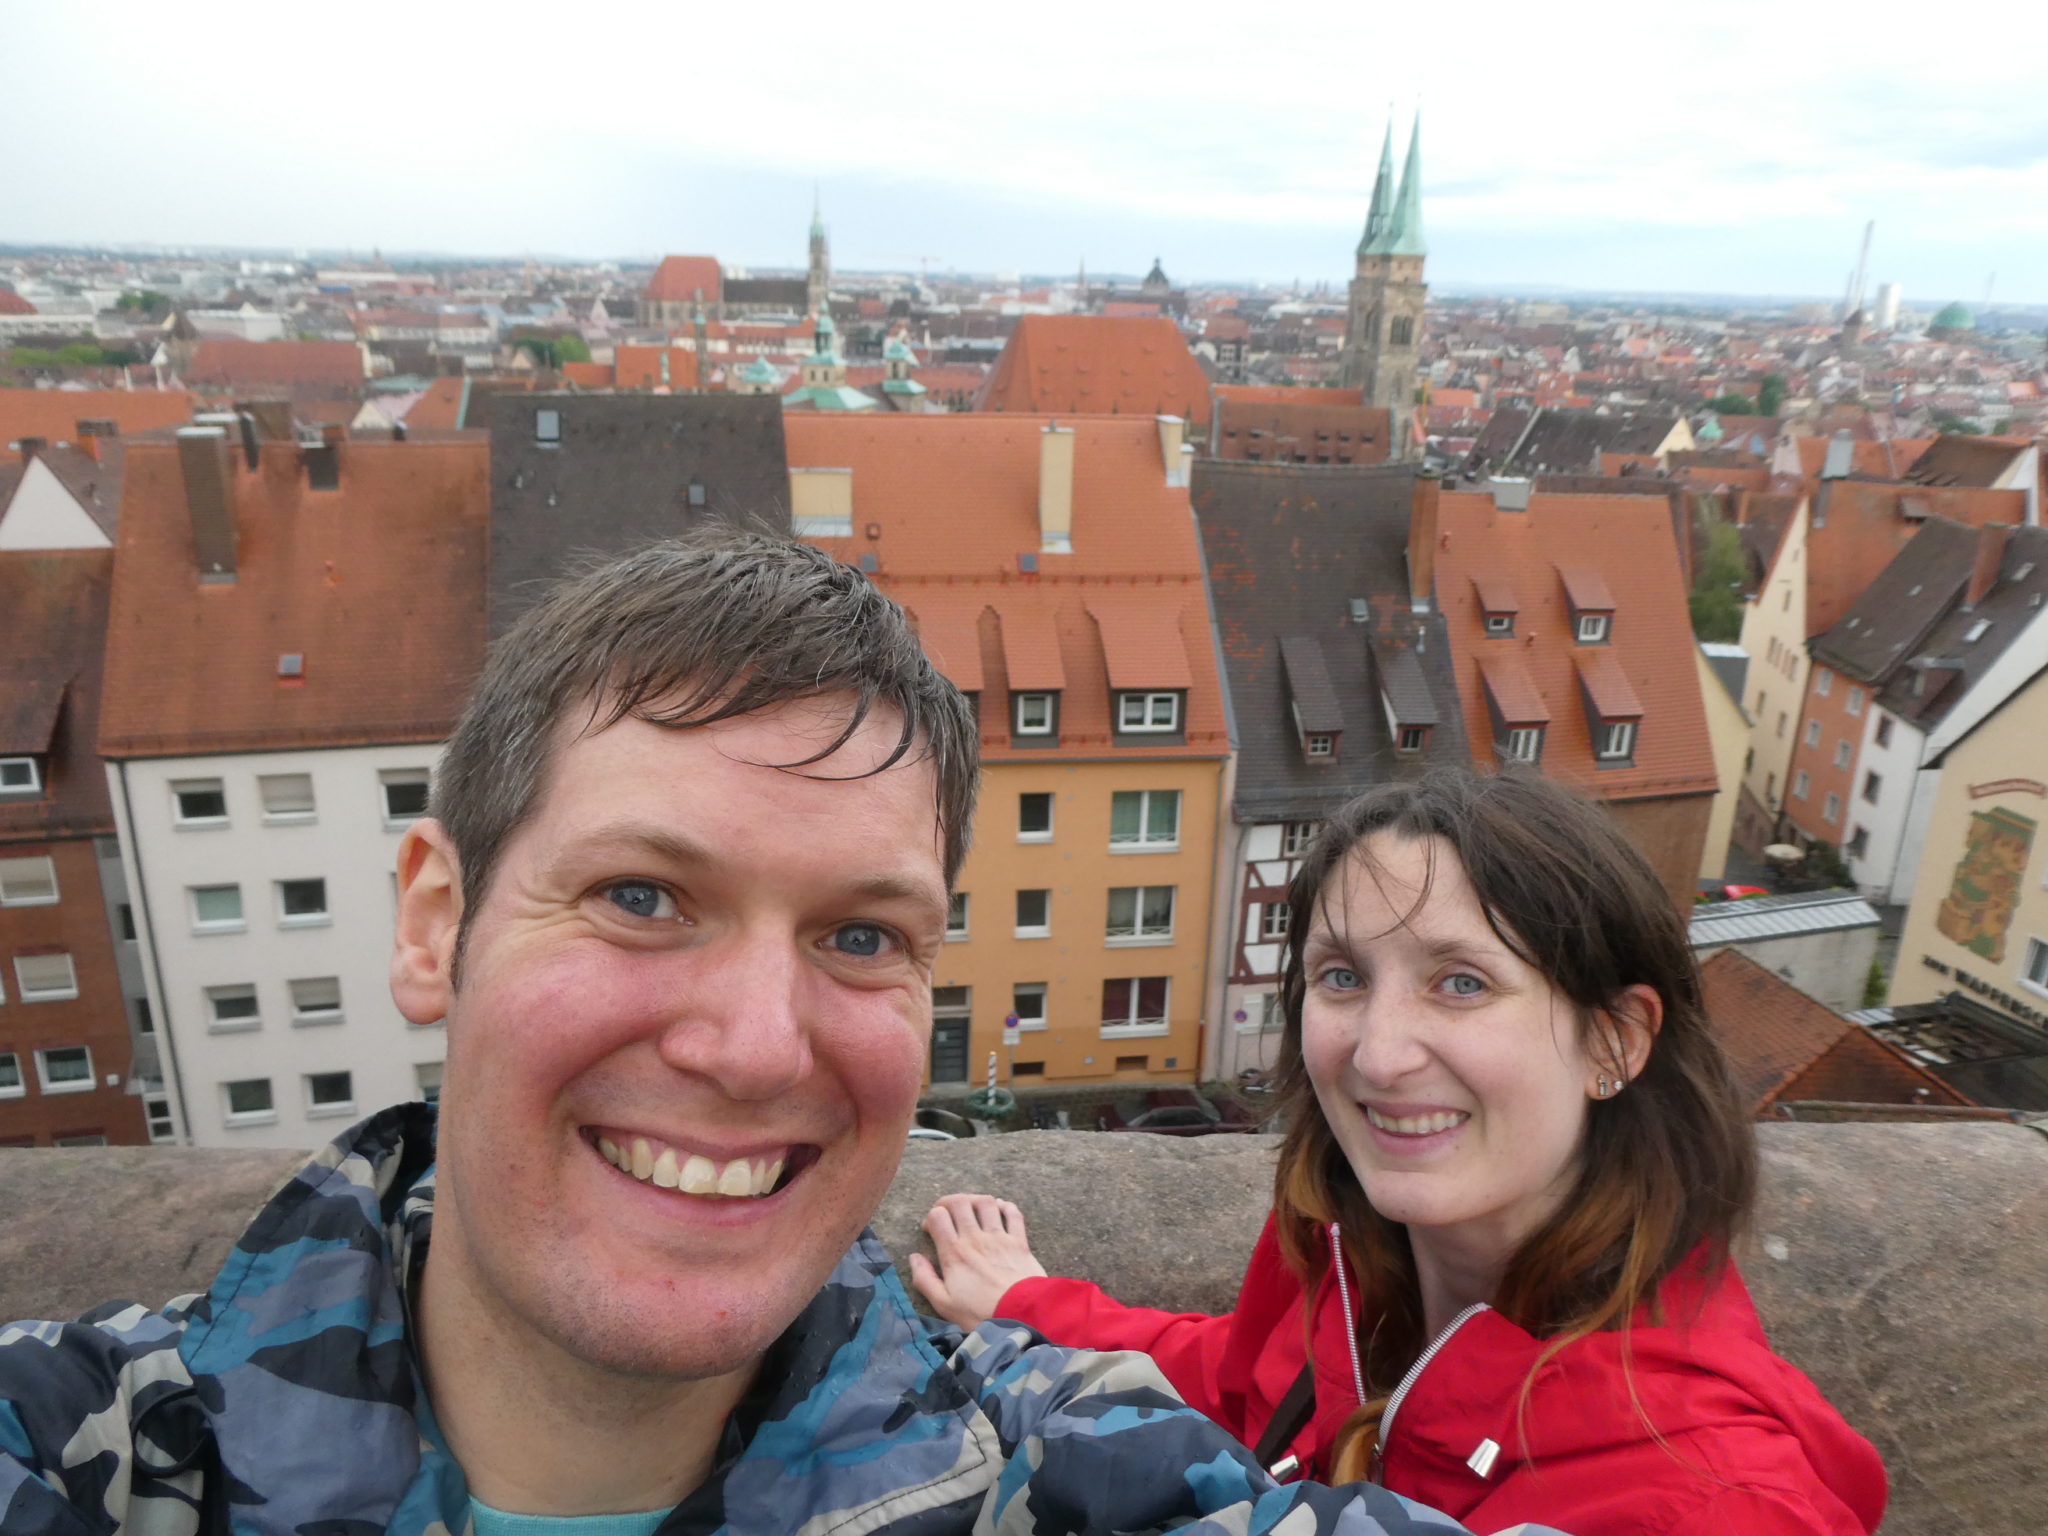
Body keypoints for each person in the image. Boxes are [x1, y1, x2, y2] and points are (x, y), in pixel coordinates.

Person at [0, 534, 1553, 1536]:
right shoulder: (80, 1462)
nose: (754, 1048)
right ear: (433, 927)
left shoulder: (1067, 1487)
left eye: (860, 937)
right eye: (639, 896)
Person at [914, 770, 1888, 1535]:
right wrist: (1027, 1309)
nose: (1376, 1053)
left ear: (1612, 1041)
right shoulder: (1347, 1266)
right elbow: (1238, 1383)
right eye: (1341, 976)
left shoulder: (1714, 1507)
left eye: (1459, 982)